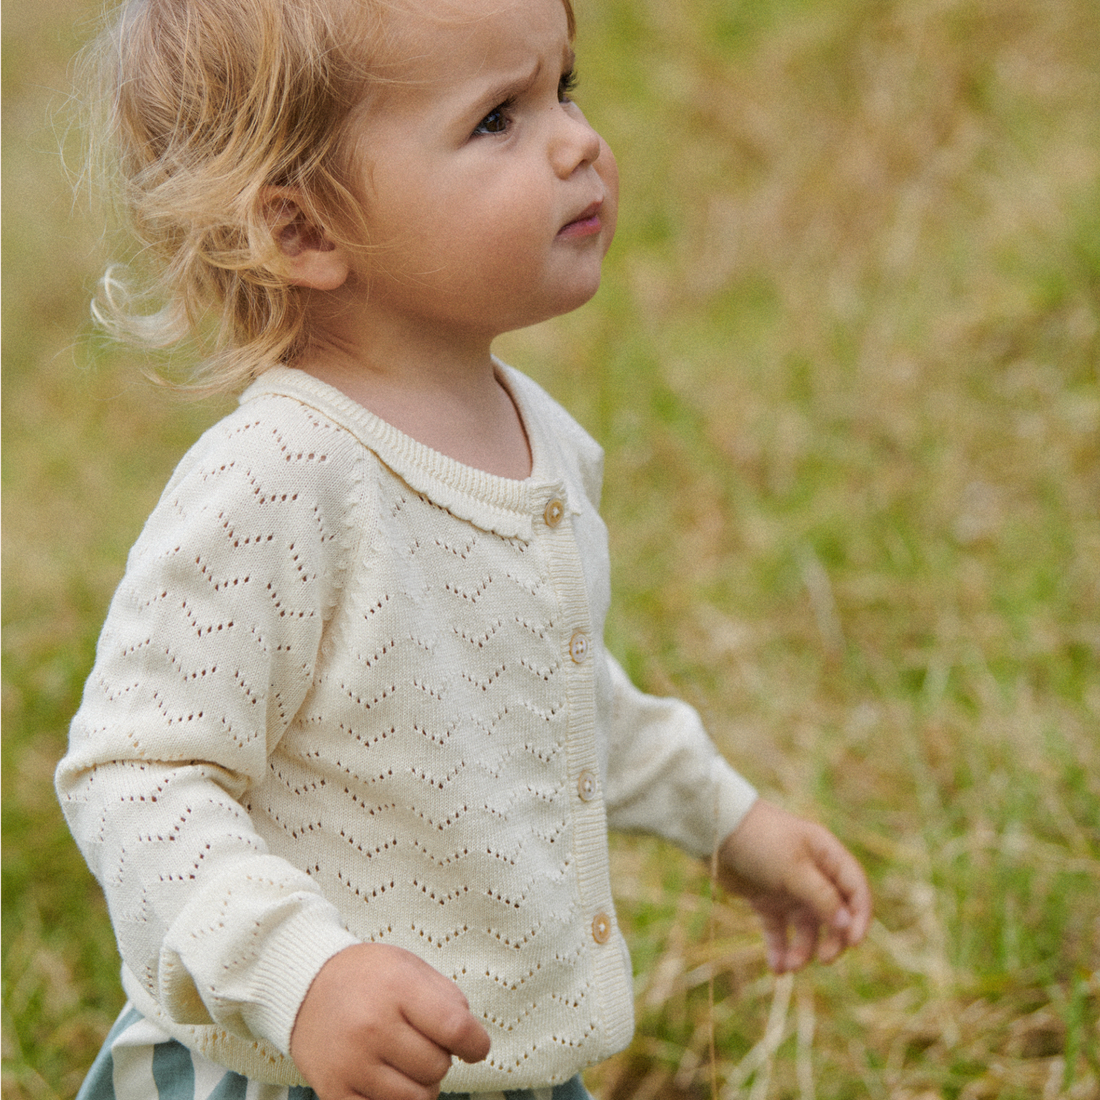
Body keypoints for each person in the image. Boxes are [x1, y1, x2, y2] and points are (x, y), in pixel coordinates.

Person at [56, 0, 873, 1098]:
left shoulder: (540, 443)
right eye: (496, 118)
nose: (576, 140)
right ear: (304, 231)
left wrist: (727, 818)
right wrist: (303, 973)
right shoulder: (277, 477)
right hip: (305, 1061)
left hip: (497, 1063)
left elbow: (556, 693)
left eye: (562, 88)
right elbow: (137, 771)